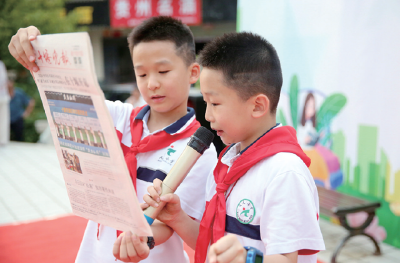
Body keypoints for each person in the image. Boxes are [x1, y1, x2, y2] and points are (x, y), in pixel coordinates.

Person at [8, 17, 217, 263]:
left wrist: (143, 239)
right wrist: (34, 48)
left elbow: (177, 222)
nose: (151, 83)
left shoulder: (198, 150)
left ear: (193, 72)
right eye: (141, 73)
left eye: (163, 71)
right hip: (95, 254)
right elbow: (66, 96)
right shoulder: (119, 118)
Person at [115, 32, 325, 263]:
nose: (207, 115)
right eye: (205, 103)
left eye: (215, 103)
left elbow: (286, 258)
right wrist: (177, 218)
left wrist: (246, 258)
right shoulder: (227, 163)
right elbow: (210, 246)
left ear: (257, 106)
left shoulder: (284, 172)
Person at [0, 59, 10, 146]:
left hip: (3, 96)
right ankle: (2, 140)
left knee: (3, 119)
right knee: (3, 119)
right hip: (3, 95)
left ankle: (3, 140)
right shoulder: (1, 64)